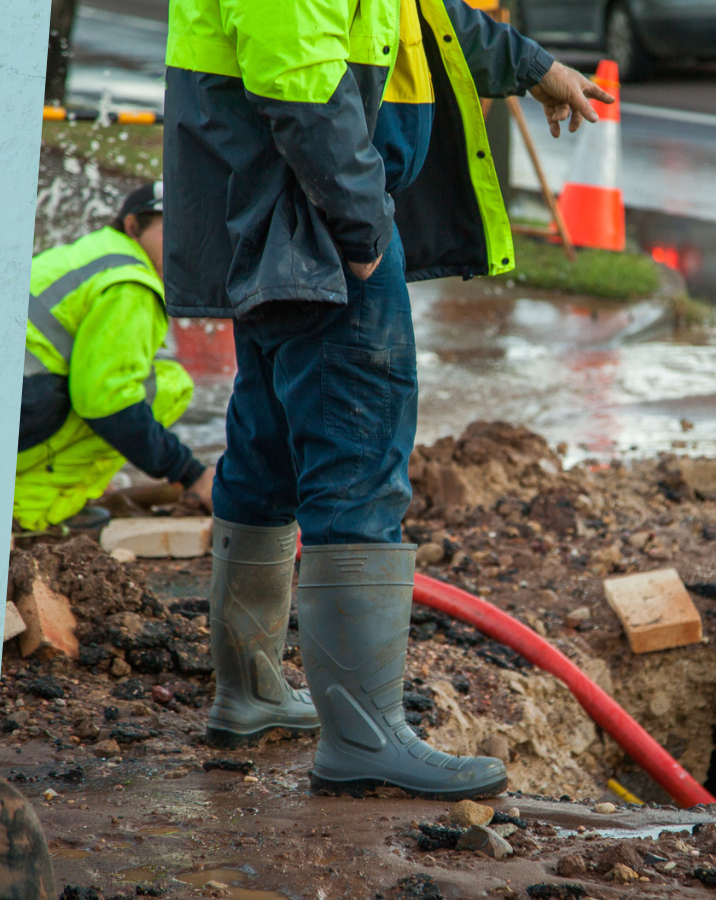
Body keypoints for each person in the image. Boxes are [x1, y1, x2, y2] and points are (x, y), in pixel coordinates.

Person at [164, 0, 609, 799]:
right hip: (318, 221)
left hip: (289, 218)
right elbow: (300, 84)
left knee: (266, 452)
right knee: (359, 456)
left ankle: (254, 690)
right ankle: (363, 738)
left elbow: (428, 19)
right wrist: (364, 232)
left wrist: (536, 68)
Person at [12, 183, 212, 535]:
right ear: (133, 226)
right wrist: (191, 473)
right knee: (165, 385)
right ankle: (30, 512)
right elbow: (108, 403)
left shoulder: (95, 253)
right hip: (14, 410)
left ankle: (50, 495)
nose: (185, 243)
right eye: (172, 229)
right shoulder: (130, 283)